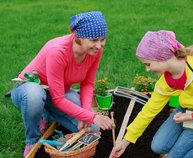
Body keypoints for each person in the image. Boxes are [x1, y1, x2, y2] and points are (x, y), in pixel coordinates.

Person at [109, 30, 193, 158]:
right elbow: (149, 110)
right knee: (158, 146)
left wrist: (191, 117)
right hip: (185, 110)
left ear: (162, 57)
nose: (147, 69)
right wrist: (126, 141)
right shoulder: (166, 80)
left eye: (148, 64)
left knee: (175, 156)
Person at [11, 11, 115, 157]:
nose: (99, 45)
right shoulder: (57, 51)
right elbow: (59, 99)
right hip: (29, 89)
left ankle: (46, 111)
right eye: (94, 40)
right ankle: (32, 139)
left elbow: (87, 84)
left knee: (93, 128)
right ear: (79, 37)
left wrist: (86, 114)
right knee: (35, 96)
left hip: (58, 92)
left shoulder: (95, 51)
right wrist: (91, 115)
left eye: (103, 39)